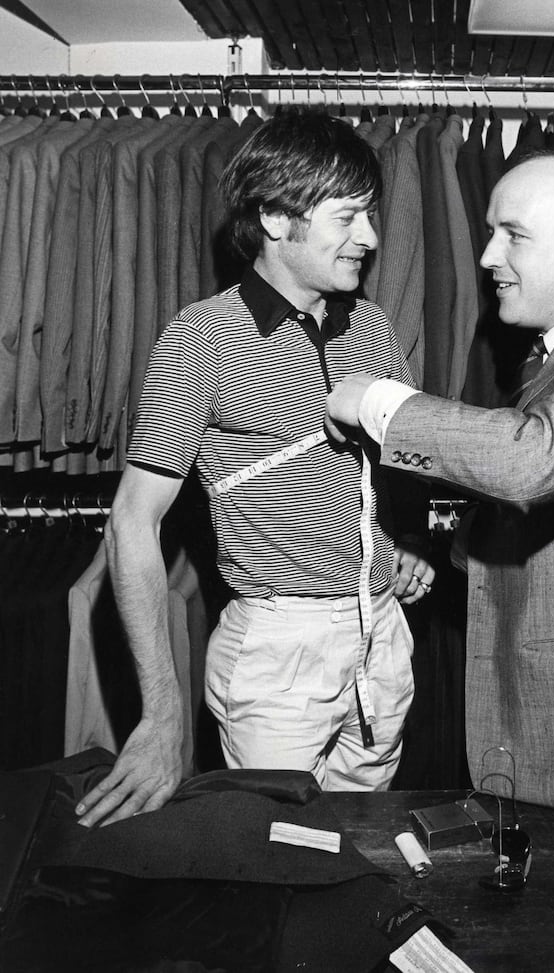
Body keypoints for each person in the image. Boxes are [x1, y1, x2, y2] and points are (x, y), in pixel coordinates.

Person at [76, 110, 434, 828]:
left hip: (382, 637)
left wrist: (410, 540)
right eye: (347, 216)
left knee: (362, 851)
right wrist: (160, 710)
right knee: (280, 864)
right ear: (276, 216)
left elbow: (404, 458)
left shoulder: (373, 326)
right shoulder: (200, 339)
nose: (368, 237)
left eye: (369, 213)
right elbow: (131, 521)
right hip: (277, 653)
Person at [326, 149, 554, 831]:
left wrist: (382, 403)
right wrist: (442, 542)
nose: (489, 255)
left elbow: (534, 461)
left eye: (513, 235)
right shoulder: (553, 357)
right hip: (546, 713)